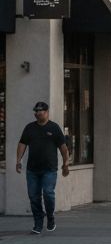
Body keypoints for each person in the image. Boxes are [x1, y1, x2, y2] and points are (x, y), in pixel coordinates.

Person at [15, 101, 70, 235]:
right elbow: (22, 144)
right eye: (36, 111)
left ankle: (50, 217)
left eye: (41, 111)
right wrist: (18, 160)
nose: (38, 113)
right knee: (34, 197)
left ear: (47, 112)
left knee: (48, 193)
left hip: (49, 169)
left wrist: (66, 163)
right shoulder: (29, 128)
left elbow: (63, 148)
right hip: (32, 170)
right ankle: (38, 223)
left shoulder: (54, 128)